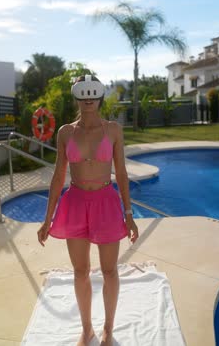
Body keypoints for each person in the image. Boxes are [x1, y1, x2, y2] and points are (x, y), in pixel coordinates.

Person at [37, 74, 139, 346]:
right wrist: (47, 219)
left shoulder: (113, 130)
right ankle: (87, 329)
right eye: (83, 95)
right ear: (77, 98)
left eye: (93, 95)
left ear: (99, 96)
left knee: (109, 271)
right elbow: (58, 176)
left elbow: (122, 173)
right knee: (80, 271)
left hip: (106, 203)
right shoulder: (66, 132)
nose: (88, 100)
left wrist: (129, 215)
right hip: (75, 203)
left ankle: (108, 328)